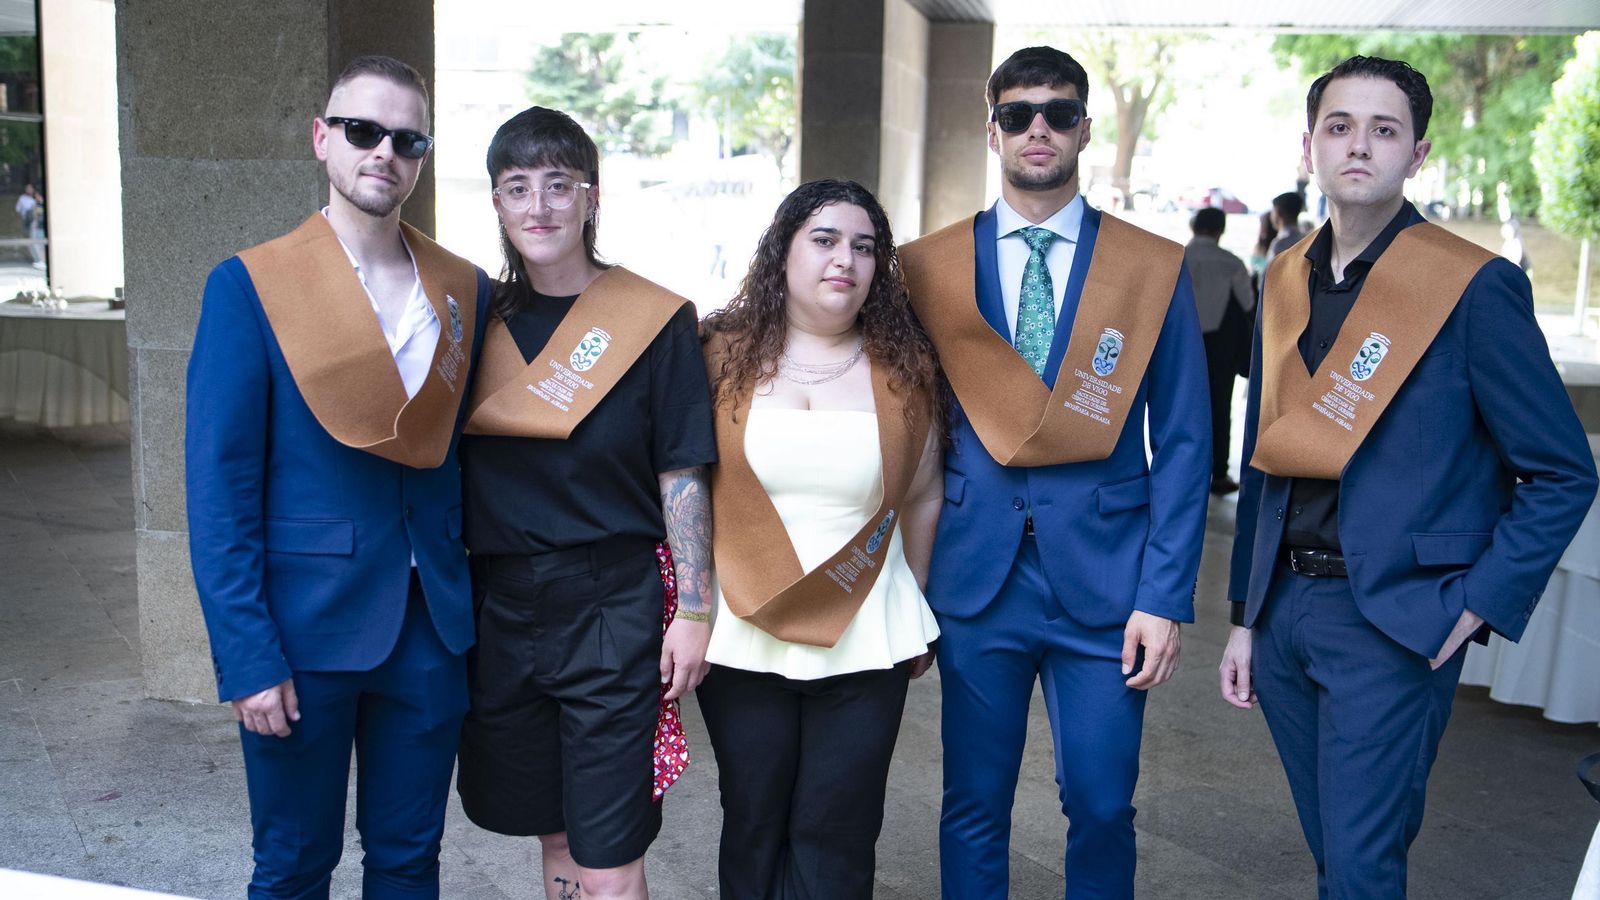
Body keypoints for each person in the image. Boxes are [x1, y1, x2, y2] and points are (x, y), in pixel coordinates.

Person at [1219, 56, 1598, 898]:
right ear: (1309, 148)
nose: (1359, 145)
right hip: (1284, 613)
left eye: (1384, 130)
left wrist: (1476, 604)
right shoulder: (1284, 275)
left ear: (1417, 154)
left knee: (1362, 868)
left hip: (1394, 618)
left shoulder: (1473, 286)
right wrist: (1245, 617)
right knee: (1337, 855)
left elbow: (1562, 471)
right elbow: (1262, 452)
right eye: (1339, 127)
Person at [899, 45, 1211, 899]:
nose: (1038, 128)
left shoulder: (1148, 266)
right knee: (972, 804)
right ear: (992, 131)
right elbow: (905, 428)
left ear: (1084, 128)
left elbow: (1186, 441)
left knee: (1104, 805)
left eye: (1059, 113)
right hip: (975, 575)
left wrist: (1164, 596)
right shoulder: (928, 267)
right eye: (1018, 114)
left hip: (1109, 584)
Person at [185, 55, 490, 898]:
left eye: (407, 139)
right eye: (363, 131)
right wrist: (246, 654)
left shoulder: (464, 288)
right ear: (323, 138)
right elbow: (218, 490)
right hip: (302, 631)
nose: (383, 151)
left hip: (431, 628)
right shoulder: (251, 285)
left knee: (409, 861)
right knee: (292, 864)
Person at [454, 105, 716, 900]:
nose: (538, 206)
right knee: (558, 833)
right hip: (499, 605)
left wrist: (695, 609)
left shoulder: (653, 320)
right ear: (496, 204)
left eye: (559, 185)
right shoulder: (473, 322)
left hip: (612, 603)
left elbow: (682, 473)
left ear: (592, 197)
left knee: (609, 853)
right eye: (517, 187)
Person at [696, 179, 944, 899]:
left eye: (864, 247)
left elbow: (923, 493)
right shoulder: (715, 354)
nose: (846, 260)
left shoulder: (904, 365)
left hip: (865, 627)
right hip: (743, 624)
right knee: (752, 818)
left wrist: (913, 601)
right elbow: (682, 480)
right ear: (783, 252)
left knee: (839, 827)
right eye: (825, 240)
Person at [1183, 206, 1255, 495]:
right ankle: (1219, 473)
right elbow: (1248, 303)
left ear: (1193, 226)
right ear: (1220, 229)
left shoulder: (1175, 257)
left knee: (1179, 405)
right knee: (1220, 406)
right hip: (1220, 344)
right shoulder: (1231, 262)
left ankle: (1182, 472)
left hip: (1181, 342)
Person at [1268, 191, 1308, 259]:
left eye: (1272, 211)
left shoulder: (1279, 244)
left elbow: (1271, 266)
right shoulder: (1307, 238)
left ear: (1278, 212)